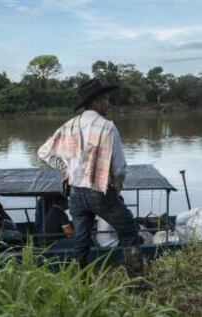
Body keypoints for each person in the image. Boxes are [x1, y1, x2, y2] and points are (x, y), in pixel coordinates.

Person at [38, 78, 144, 278]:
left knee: (81, 239)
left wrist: (67, 169)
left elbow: (44, 152)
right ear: (95, 102)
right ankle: (137, 280)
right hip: (99, 191)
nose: (108, 104)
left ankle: (81, 280)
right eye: (105, 99)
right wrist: (117, 189)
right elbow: (120, 169)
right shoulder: (107, 127)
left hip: (76, 193)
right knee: (129, 230)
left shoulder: (68, 125)